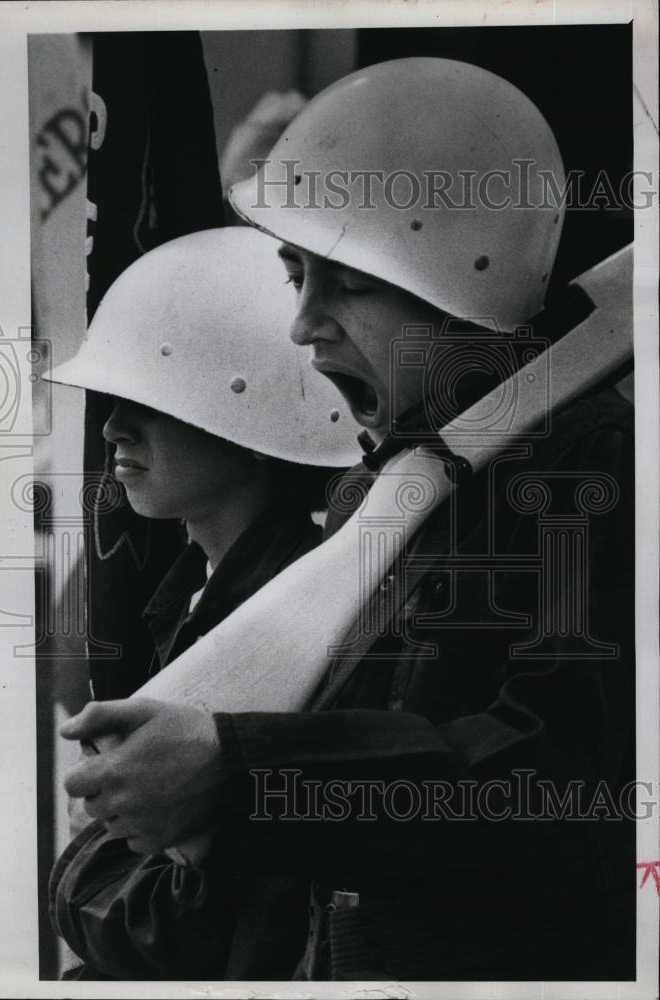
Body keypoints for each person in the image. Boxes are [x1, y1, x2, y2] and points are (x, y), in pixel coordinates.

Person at [58, 59, 635, 980]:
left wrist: (236, 776)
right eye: (296, 275)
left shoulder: (584, 467)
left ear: (462, 273)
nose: (303, 326)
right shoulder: (401, 484)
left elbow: (561, 788)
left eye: (348, 283)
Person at [45, 225, 360, 978]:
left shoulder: (294, 615)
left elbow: (189, 927)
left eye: (158, 401)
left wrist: (83, 873)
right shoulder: (193, 592)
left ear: (255, 420)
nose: (116, 426)